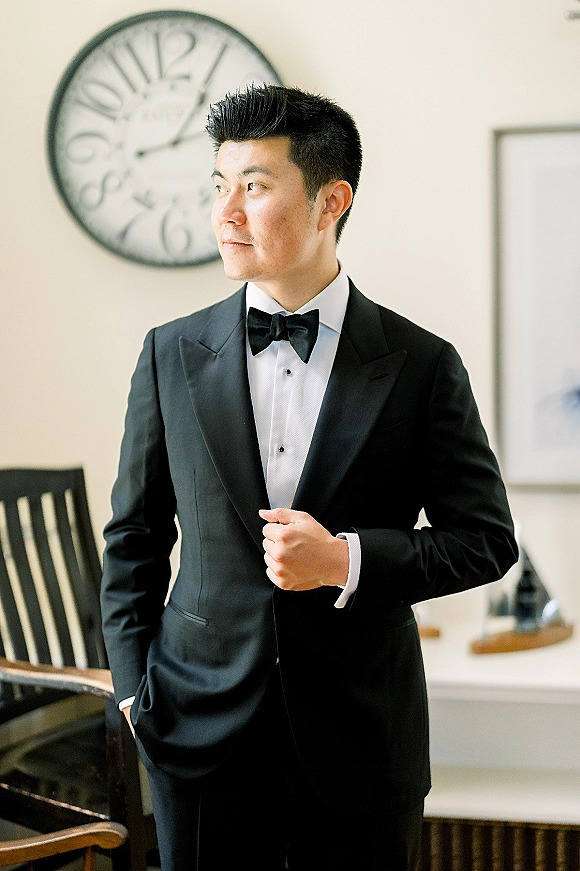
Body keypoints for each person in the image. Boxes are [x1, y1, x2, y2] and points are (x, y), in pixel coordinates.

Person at [101, 85, 517, 871]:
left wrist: (347, 561)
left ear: (332, 201)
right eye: (218, 186)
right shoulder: (169, 353)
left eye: (255, 187)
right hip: (194, 734)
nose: (226, 213)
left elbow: (485, 540)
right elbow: (133, 539)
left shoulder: (423, 364)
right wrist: (133, 691)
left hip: (363, 741)